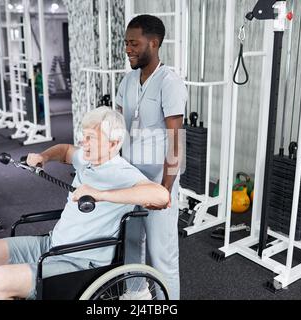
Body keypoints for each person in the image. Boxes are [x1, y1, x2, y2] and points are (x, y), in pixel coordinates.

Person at [0, 107, 170, 300]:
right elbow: (64, 151)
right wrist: (44, 157)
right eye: (84, 135)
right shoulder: (88, 158)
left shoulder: (123, 173)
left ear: (113, 144)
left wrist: (100, 194)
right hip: (52, 245)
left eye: (91, 138)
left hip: (79, 262)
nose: (84, 142)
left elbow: (161, 196)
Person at [116, 14, 188, 300]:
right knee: (132, 243)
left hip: (159, 180)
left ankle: (167, 302)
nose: (128, 49)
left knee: (162, 254)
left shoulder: (169, 83)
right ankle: (136, 296)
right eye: (126, 43)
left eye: (134, 43)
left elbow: (175, 142)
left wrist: (165, 191)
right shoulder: (128, 80)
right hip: (131, 178)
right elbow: (118, 128)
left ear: (153, 43)